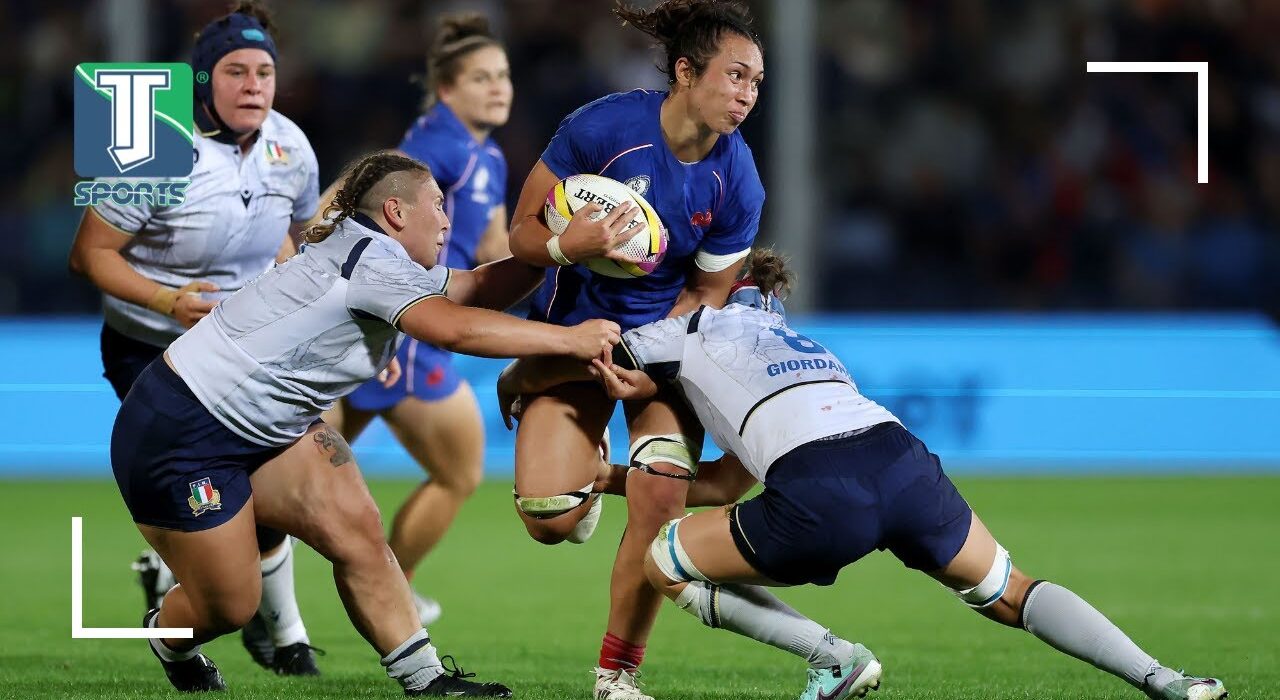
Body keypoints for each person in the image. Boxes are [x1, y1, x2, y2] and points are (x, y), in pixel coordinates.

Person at [506, 250, 1229, 700]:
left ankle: (833, 658)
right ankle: (1163, 678)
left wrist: (520, 376)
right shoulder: (805, 342)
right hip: (900, 459)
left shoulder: (689, 328)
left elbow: (594, 357)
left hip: (823, 487)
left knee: (666, 558)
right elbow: (725, 485)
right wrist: (609, 478)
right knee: (1010, 590)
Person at [110, 151, 621, 695]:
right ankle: (168, 638)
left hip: (266, 426)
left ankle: (427, 680)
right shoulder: (373, 262)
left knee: (357, 528)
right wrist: (570, 339)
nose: (447, 222)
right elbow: (456, 329)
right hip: (180, 431)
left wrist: (558, 251)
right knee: (231, 605)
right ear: (396, 212)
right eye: (437, 206)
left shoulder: (372, 251)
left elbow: (475, 288)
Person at [504, 2, 765, 697]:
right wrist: (570, 246)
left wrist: (646, 371)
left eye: (756, 82)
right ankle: (580, 461)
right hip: (573, 336)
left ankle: (615, 676)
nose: (746, 95)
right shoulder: (603, 128)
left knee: (659, 501)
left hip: (664, 351)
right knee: (549, 518)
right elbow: (522, 234)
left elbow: (705, 296)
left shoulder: (738, 178)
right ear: (686, 72)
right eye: (735, 75)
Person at [68, 1, 323, 675]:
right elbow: (89, 254)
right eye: (236, 72)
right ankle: (195, 618)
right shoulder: (148, 142)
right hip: (153, 349)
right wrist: (167, 300)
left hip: (246, 349)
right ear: (203, 80)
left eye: (265, 72)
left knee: (271, 494)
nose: (254, 86)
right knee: (220, 501)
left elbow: (297, 239)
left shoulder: (291, 147)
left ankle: (284, 637)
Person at [321, 12, 514, 627]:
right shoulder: (440, 144)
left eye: (503, 75)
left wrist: (567, 254)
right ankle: (391, 595)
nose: (499, 87)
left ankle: (185, 557)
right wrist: (312, 253)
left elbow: (493, 249)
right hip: (410, 328)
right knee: (459, 470)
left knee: (296, 468)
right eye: (482, 78)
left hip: (414, 323)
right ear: (448, 89)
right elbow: (349, 193)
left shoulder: (487, 156)